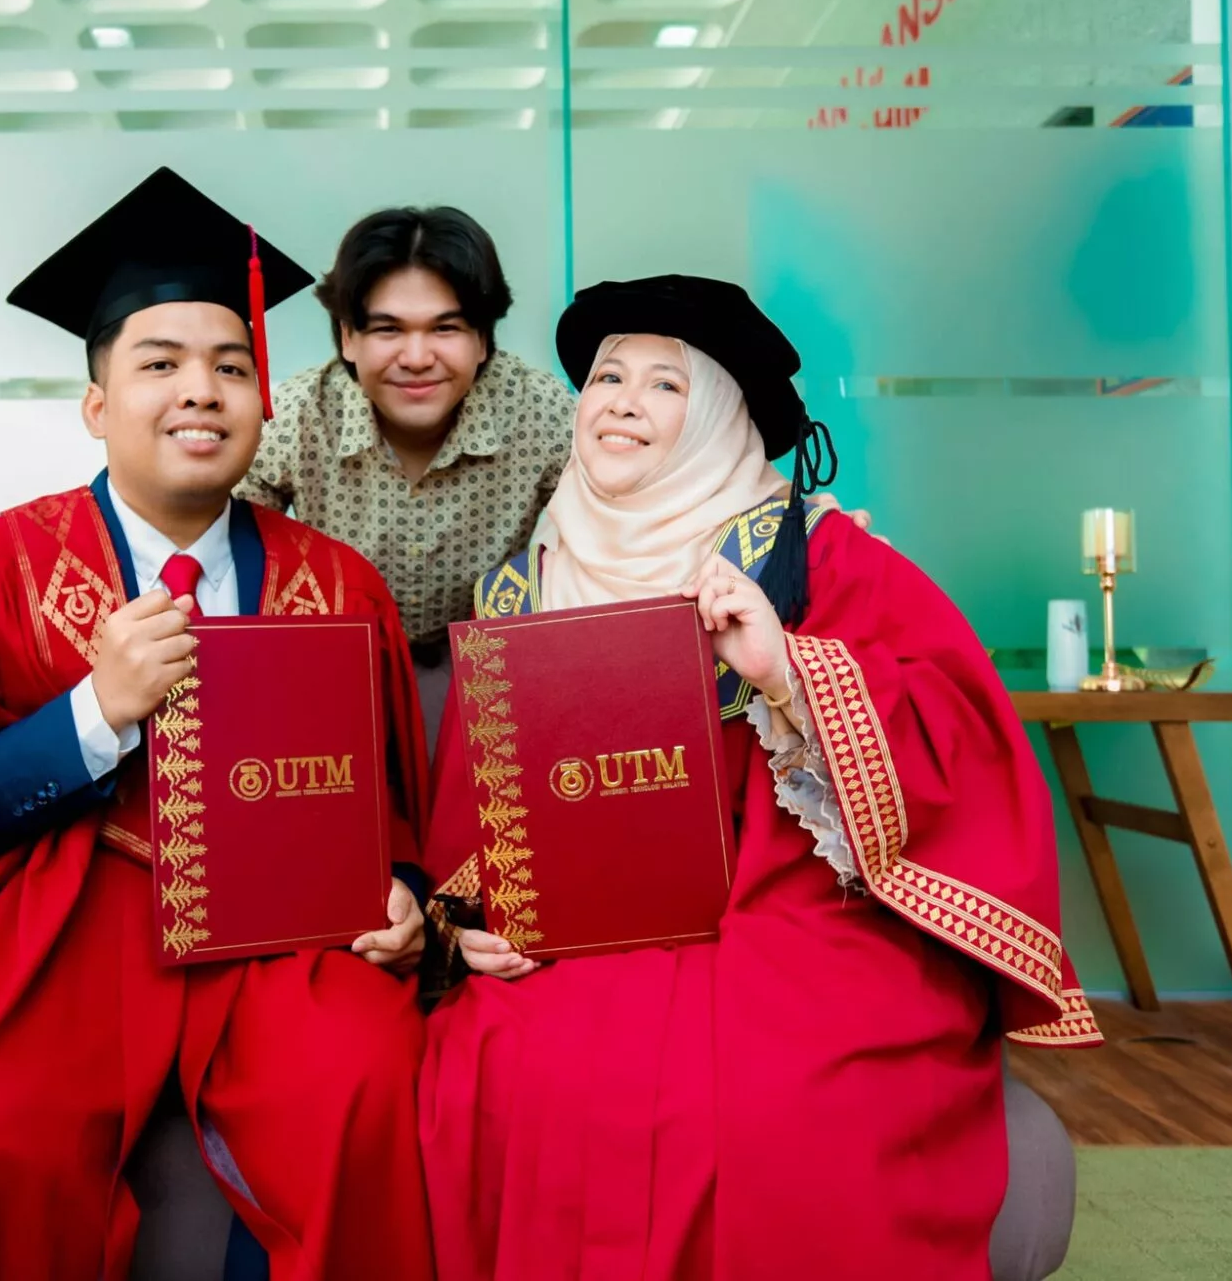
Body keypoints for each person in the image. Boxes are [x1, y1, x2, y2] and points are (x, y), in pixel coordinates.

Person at [0, 168, 436, 1281]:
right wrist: (90, 714)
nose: (199, 390)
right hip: (57, 923)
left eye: (230, 366)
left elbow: (387, 810)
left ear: (264, 403)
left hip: (278, 936)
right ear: (96, 402)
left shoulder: (336, 585)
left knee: (370, 1079)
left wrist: (395, 890)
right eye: (159, 364)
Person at [418, 275, 1102, 1280]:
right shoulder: (524, 577)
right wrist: (476, 908)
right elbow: (482, 802)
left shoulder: (816, 551)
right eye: (606, 377)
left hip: (795, 906)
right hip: (586, 923)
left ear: (723, 421)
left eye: (663, 385)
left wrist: (786, 666)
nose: (620, 400)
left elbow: (954, 726)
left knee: (771, 1087)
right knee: (512, 1057)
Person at [234, 206, 575, 746]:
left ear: (483, 339)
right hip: (335, 672)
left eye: (446, 328)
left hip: (487, 674)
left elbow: (612, 526)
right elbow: (223, 545)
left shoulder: (541, 410)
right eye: (388, 329)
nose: (417, 358)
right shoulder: (296, 414)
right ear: (347, 337)